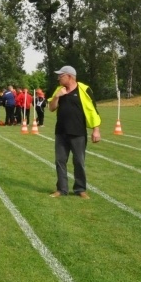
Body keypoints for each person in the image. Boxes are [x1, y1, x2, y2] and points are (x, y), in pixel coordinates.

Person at [49, 66, 101, 199]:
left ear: (70, 76)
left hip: (78, 132)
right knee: (60, 161)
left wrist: (96, 130)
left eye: (61, 76)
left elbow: (93, 110)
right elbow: (51, 108)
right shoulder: (59, 90)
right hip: (61, 132)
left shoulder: (84, 89)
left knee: (79, 161)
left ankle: (80, 189)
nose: (58, 78)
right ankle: (61, 189)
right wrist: (57, 96)